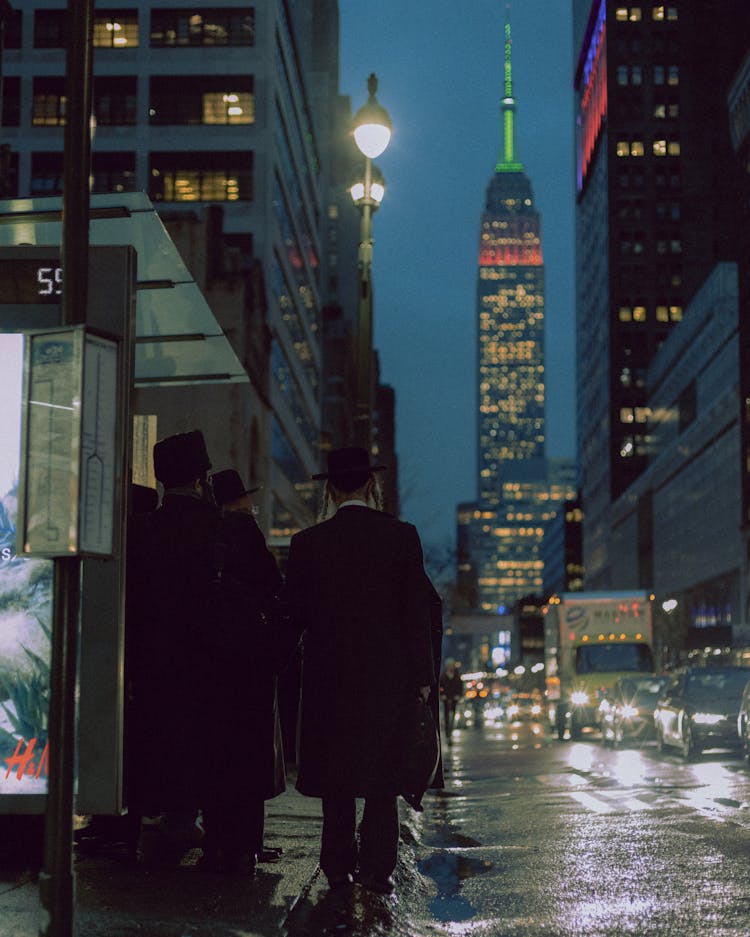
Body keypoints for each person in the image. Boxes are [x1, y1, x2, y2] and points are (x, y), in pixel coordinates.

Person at [284, 446, 437, 895]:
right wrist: (424, 678)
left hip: (329, 680)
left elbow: (294, 616)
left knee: (337, 777)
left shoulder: (307, 544)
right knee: (382, 777)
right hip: (387, 679)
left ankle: (336, 866)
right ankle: (377, 868)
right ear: (372, 487)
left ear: (330, 490)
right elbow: (416, 613)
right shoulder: (401, 536)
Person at [126, 430, 218, 862]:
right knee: (201, 740)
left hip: (152, 659)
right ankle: (189, 819)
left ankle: (156, 815)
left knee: (157, 735)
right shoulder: (217, 528)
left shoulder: (143, 531)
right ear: (200, 479)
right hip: (206, 660)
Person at [207, 469, 291, 870]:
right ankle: (247, 845)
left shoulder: (207, 533)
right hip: (250, 662)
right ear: (240, 500)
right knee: (251, 751)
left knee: (218, 752)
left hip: (212, 658)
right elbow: (273, 586)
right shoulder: (247, 532)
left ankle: (215, 842)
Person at [439, 660, 464, 740]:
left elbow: (460, 687)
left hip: (454, 698)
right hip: (446, 698)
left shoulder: (457, 676)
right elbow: (440, 687)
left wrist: (458, 695)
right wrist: (442, 695)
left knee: (453, 715)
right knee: (446, 715)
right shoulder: (443, 676)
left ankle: (451, 730)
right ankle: (447, 733)